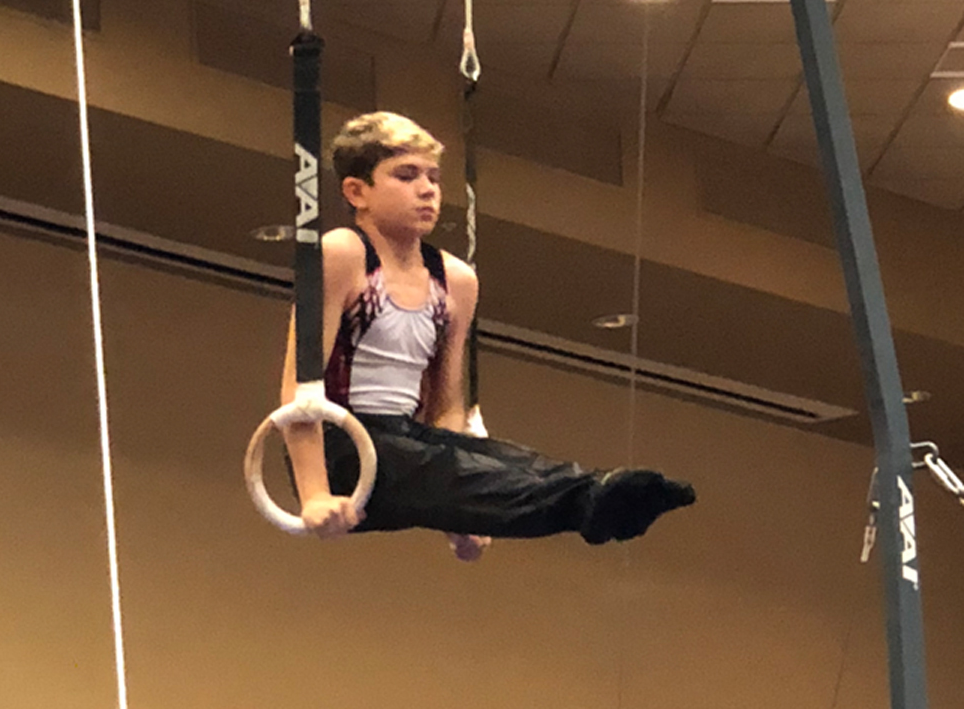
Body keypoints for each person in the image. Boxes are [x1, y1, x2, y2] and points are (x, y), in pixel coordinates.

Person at [281, 111, 695, 561]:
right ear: (356, 191)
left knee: (507, 461)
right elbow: (300, 389)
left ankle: (599, 490)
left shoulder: (456, 280)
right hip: (342, 451)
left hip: (408, 445)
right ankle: (587, 501)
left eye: (434, 178)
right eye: (406, 175)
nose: (427, 190)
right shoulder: (342, 255)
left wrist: (461, 513)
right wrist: (314, 495)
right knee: (440, 465)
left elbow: (446, 407)